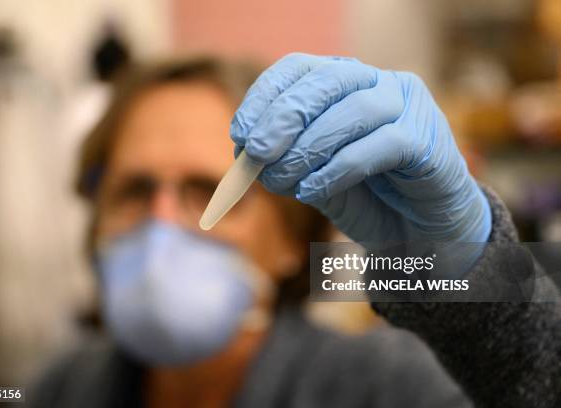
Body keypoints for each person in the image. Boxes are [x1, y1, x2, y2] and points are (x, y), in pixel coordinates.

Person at [28, 54, 561, 408]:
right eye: (135, 191)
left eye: (205, 192)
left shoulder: (384, 386)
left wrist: (479, 283)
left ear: (288, 242)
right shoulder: (63, 388)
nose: (162, 223)